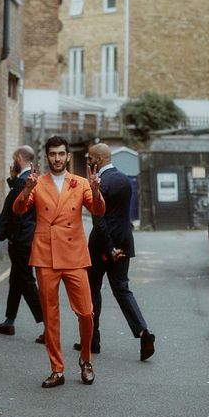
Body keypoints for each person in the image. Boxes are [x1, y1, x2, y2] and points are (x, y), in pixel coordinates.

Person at [13, 135, 105, 388]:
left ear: (68, 156)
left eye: (61, 154)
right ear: (46, 157)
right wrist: (27, 189)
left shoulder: (82, 182)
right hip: (46, 254)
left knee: (86, 312)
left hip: (74, 255)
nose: (57, 158)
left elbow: (98, 211)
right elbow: (18, 210)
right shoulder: (37, 183)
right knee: (51, 316)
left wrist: (97, 191)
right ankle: (57, 369)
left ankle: (86, 360)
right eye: (53, 154)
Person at [72, 143, 155, 361]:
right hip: (125, 241)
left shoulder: (99, 185)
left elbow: (100, 221)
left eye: (90, 158)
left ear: (97, 160)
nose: (88, 161)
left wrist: (109, 248)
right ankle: (143, 332)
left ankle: (92, 340)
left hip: (102, 244)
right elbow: (124, 216)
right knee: (122, 289)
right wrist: (119, 247)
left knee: (92, 290)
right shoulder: (125, 180)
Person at [0, 145, 45, 343]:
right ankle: (9, 321)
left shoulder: (25, 181)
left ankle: (49, 325)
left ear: (19, 157)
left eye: (14, 158)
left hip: (21, 240)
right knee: (16, 280)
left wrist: (11, 235)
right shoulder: (27, 180)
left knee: (26, 280)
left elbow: (17, 213)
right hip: (26, 238)